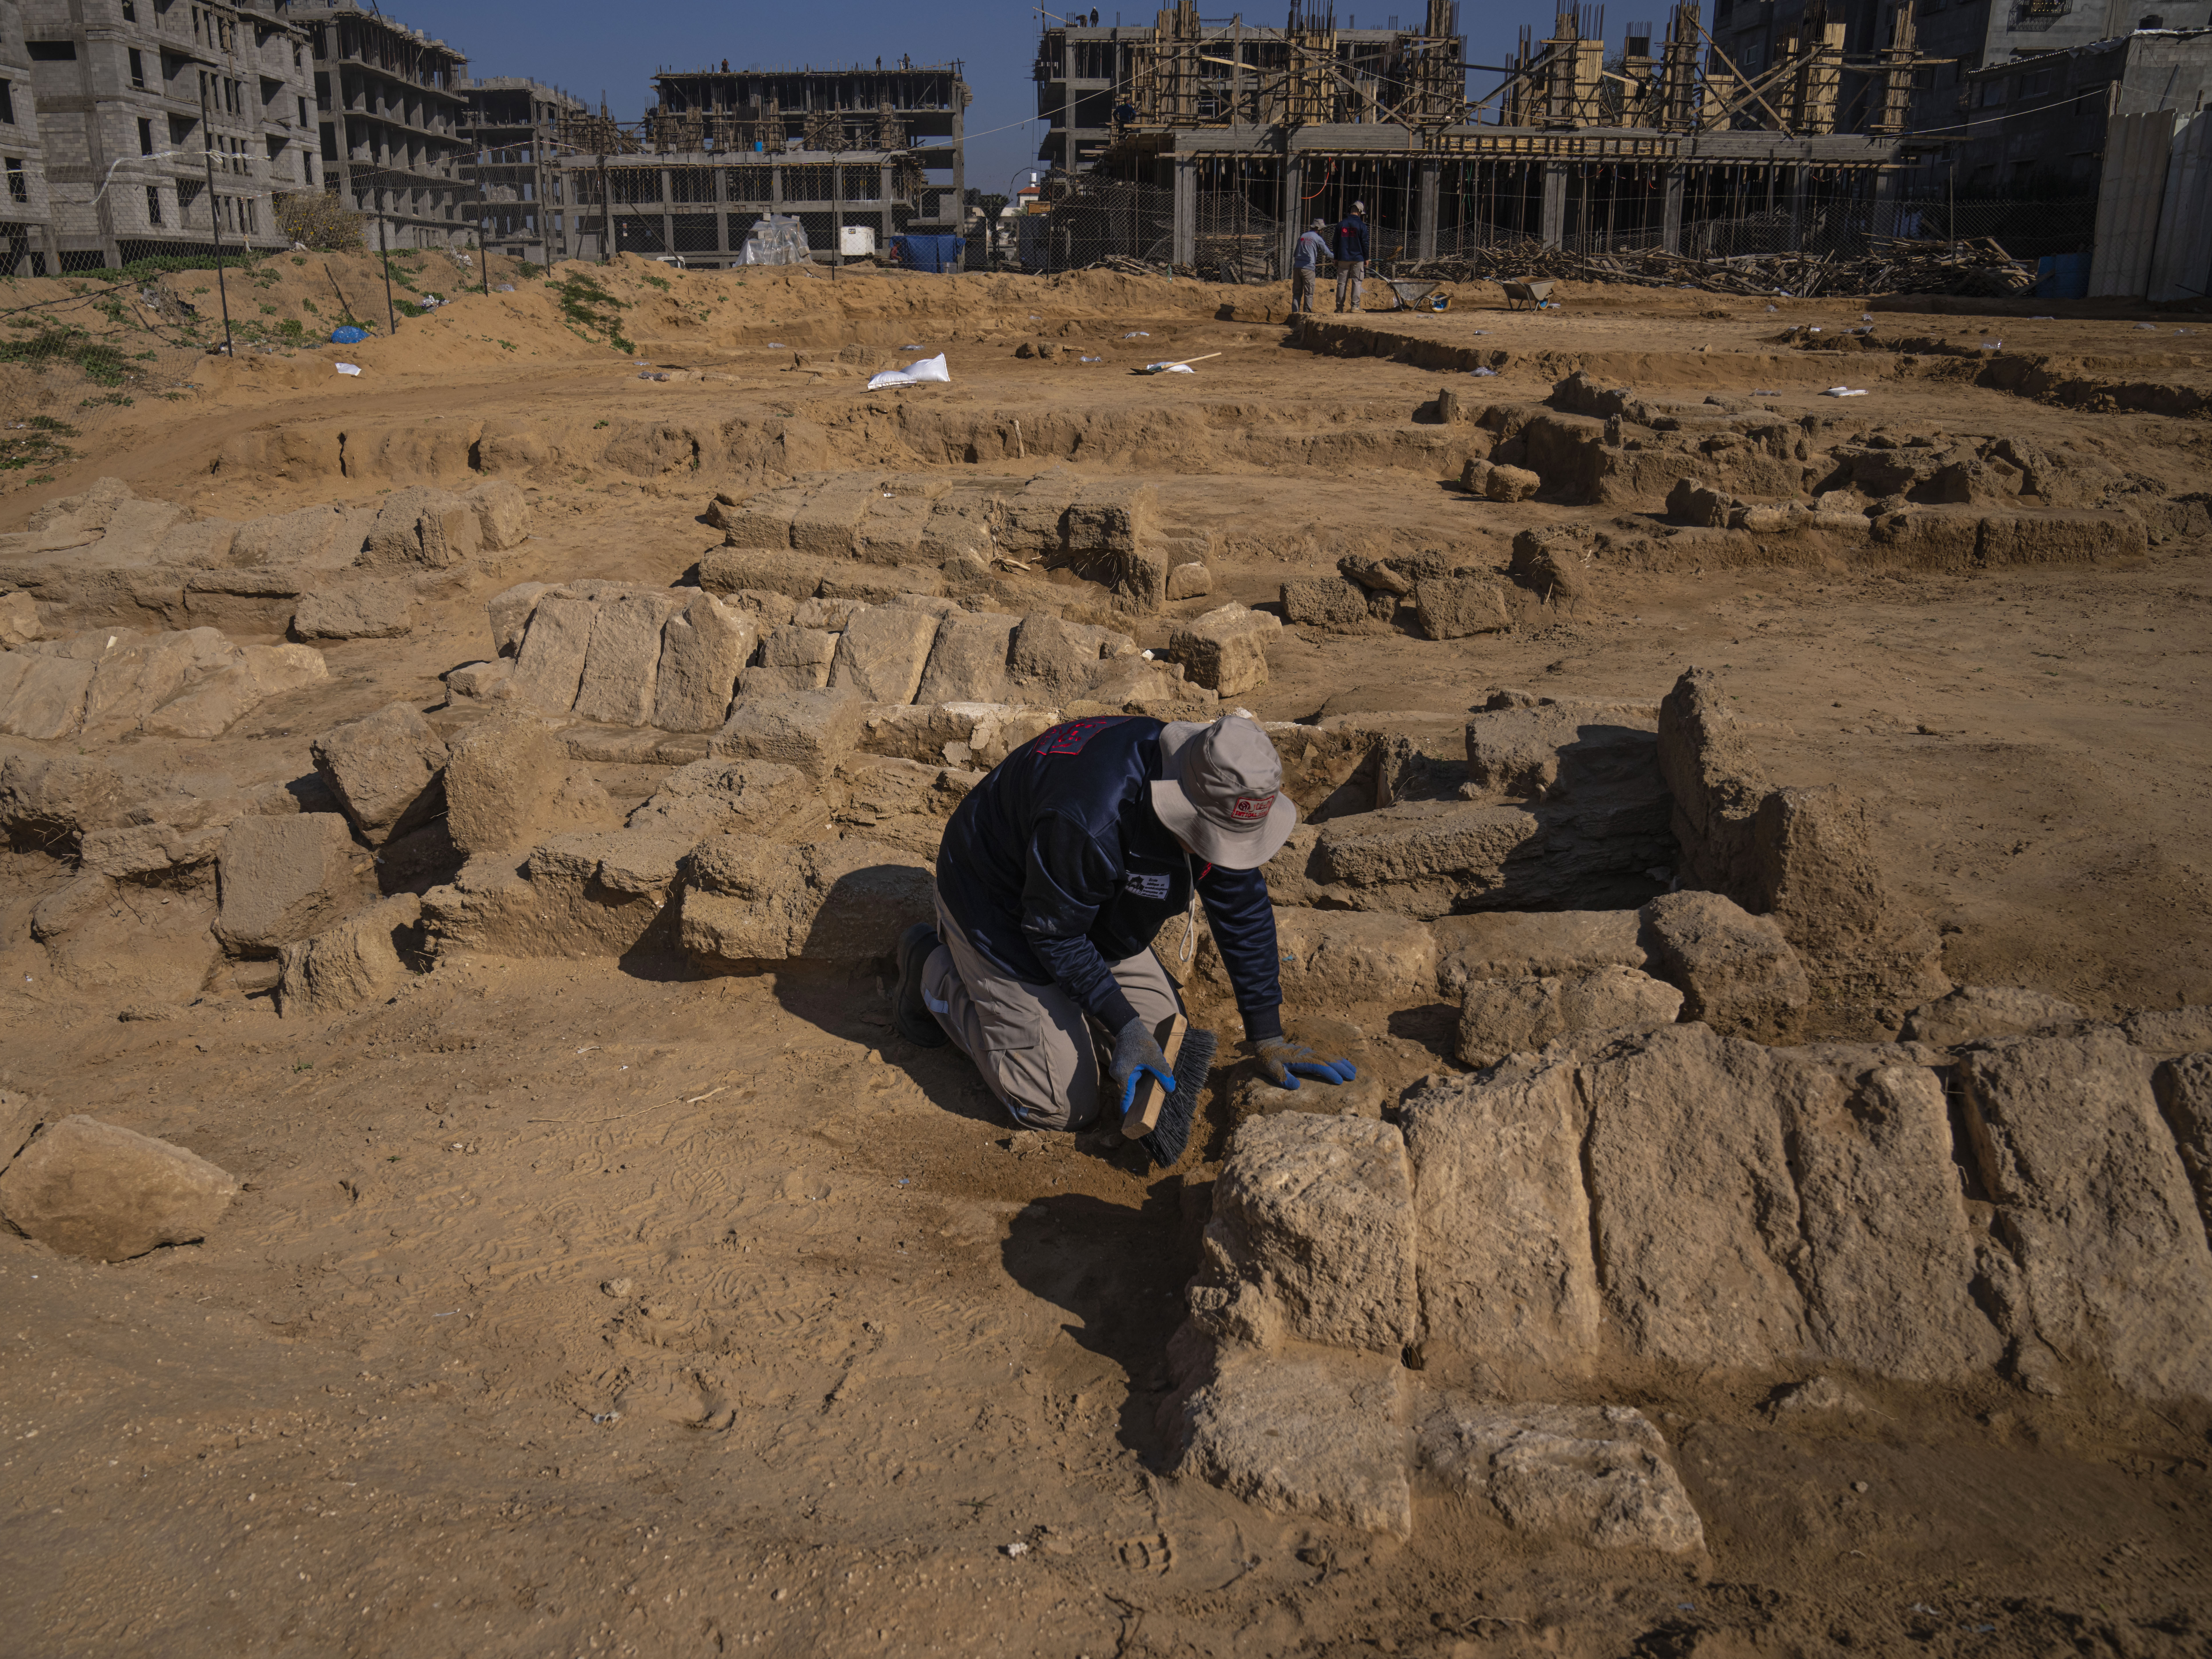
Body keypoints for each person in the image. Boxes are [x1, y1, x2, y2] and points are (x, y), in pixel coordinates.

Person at [893, 714, 1357, 1132]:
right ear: (1184, 803)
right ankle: (934, 970)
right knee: (1059, 1104)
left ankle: (1061, 1016)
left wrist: (1267, 1033)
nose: (1222, 851)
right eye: (1214, 838)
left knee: (1167, 1047)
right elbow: (1054, 934)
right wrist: (1122, 1023)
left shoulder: (1215, 782)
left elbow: (1243, 909)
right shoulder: (1092, 815)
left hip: (1086, 906)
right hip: (998, 908)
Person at [1333, 200, 1370, 313]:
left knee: (1342, 283)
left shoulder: (1341, 224)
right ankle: (1355, 307)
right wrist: (1366, 258)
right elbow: (1365, 243)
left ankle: (1339, 308)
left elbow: (1335, 242)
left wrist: (1336, 257)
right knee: (1357, 282)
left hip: (1343, 258)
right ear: (1359, 212)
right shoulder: (1362, 225)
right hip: (1358, 258)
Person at [1291, 216, 1330, 314]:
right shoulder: (1318, 238)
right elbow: (1327, 253)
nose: (1323, 231)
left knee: (1297, 294)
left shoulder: (1303, 236)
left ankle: (1294, 314)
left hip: (1297, 268)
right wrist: (1338, 259)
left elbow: (1295, 254)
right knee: (1309, 293)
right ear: (1318, 228)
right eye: (1322, 229)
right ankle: (1307, 314)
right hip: (1308, 269)